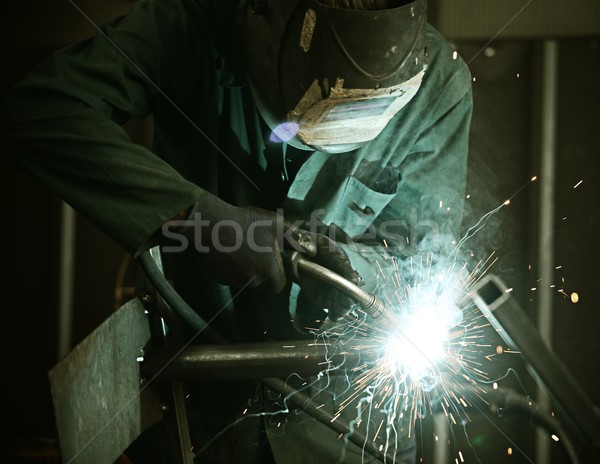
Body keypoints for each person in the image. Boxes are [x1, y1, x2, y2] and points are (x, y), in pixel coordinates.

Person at [1, 0, 472, 462]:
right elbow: (42, 107)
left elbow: (426, 268)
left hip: (346, 431)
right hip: (194, 415)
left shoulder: (437, 83)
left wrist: (357, 278)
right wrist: (195, 216)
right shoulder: (193, 25)